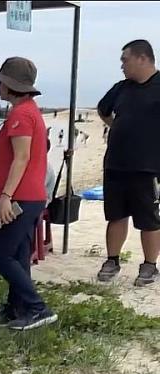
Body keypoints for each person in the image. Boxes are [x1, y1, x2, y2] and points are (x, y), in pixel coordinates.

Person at [0, 57, 57, 330]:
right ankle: (18, 307)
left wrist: (5, 196)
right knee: (17, 253)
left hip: (21, 197)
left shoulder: (21, 115)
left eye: (0, 81)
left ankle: (37, 307)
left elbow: (21, 157)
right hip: (31, 196)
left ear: (10, 84)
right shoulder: (28, 111)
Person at [97, 39, 160, 286]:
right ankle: (112, 260)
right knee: (115, 215)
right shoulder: (121, 88)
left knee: (148, 219)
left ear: (142, 58)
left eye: (125, 59)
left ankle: (149, 265)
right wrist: (118, 127)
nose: (122, 65)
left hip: (148, 166)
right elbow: (103, 110)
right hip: (115, 164)